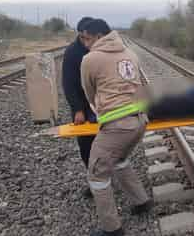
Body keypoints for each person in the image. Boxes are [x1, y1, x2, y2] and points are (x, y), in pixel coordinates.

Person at [81, 19, 152, 236]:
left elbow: (89, 92)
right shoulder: (130, 53)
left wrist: (102, 110)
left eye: (87, 37)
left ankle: (111, 228)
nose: (85, 42)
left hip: (117, 124)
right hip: (139, 120)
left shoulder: (90, 58)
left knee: (97, 175)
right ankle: (141, 201)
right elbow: (144, 85)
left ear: (99, 36)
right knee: (120, 160)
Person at [62, 16, 97, 198]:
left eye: (90, 37)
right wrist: (77, 109)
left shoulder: (100, 50)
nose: (87, 41)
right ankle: (94, 183)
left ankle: (105, 176)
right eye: (84, 37)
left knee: (107, 144)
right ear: (80, 35)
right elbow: (68, 85)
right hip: (83, 108)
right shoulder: (72, 53)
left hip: (103, 106)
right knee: (86, 147)